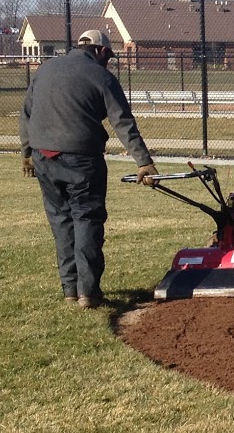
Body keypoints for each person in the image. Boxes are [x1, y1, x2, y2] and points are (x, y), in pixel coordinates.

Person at [20, 28, 158, 308]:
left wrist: (26, 153)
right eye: (108, 56)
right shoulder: (102, 76)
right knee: (87, 219)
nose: (108, 61)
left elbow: (26, 113)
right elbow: (123, 122)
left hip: (43, 157)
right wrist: (143, 161)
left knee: (61, 221)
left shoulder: (46, 69)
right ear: (101, 51)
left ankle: (70, 290)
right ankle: (88, 292)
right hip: (82, 160)